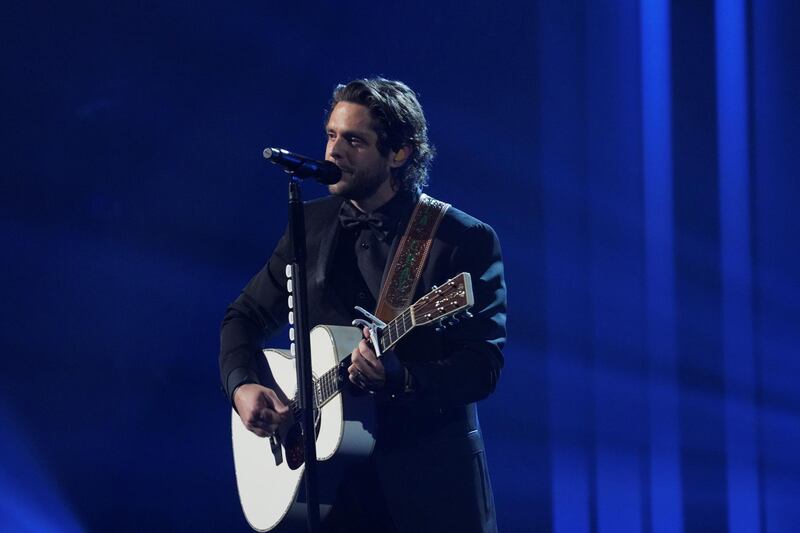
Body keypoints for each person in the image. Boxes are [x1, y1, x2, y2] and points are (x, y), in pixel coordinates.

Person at [219, 78, 507, 533]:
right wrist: (242, 387)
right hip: (332, 493)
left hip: (430, 492)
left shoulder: (462, 239)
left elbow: (482, 367)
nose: (333, 152)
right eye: (331, 135)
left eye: (354, 140)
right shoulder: (309, 224)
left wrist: (403, 377)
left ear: (400, 153)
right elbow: (243, 318)